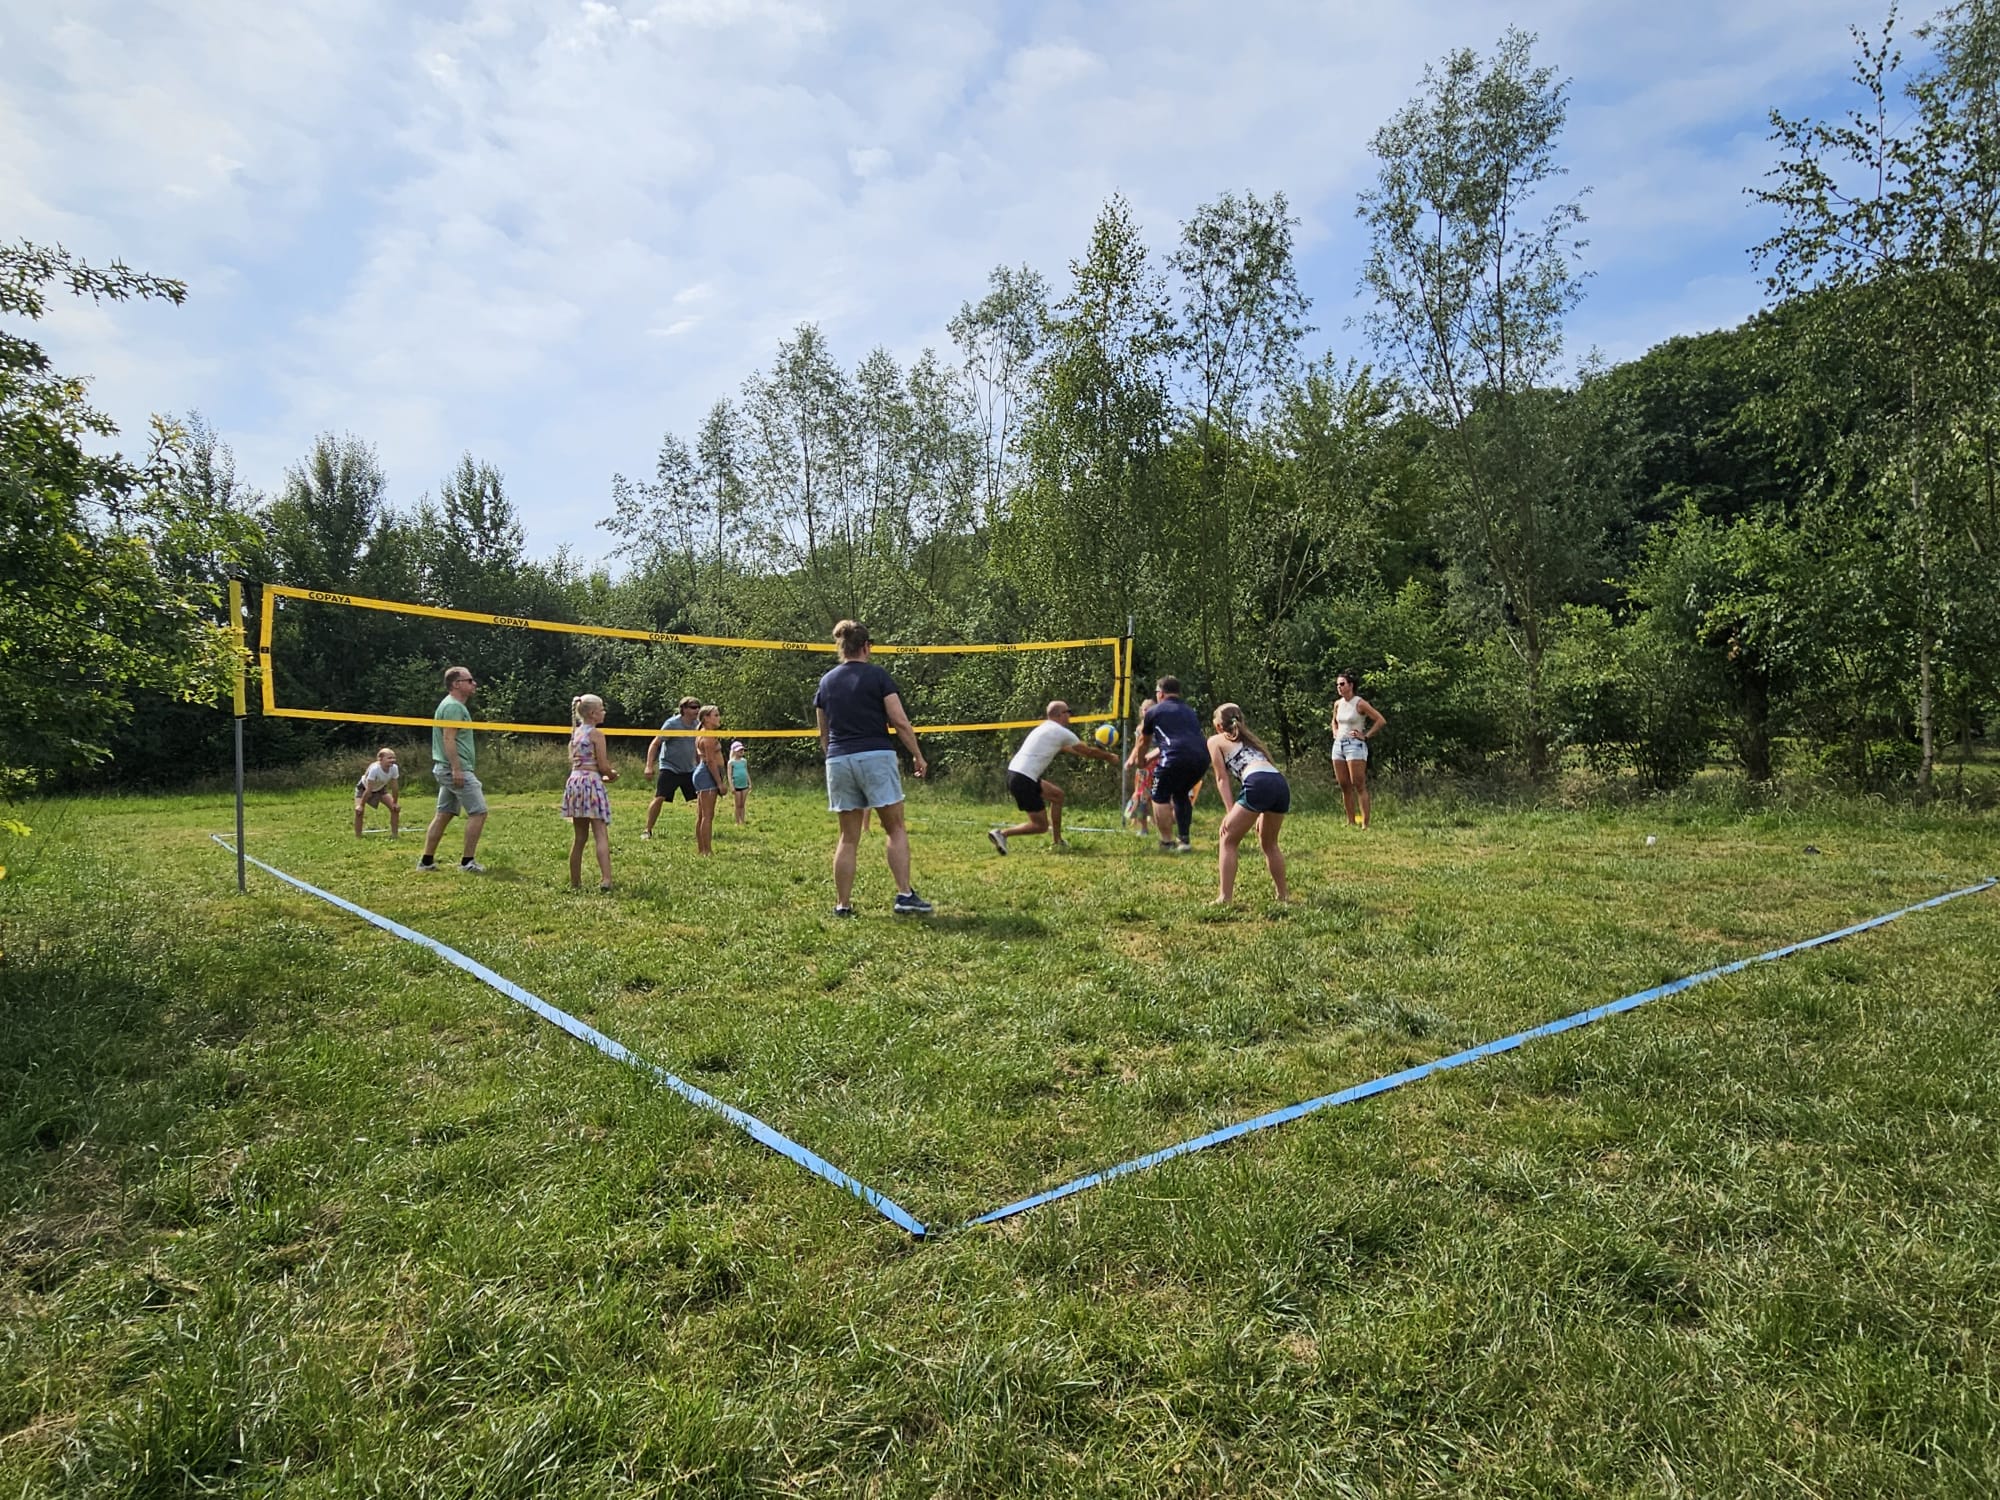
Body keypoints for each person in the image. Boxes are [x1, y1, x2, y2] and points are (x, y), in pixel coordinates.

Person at [814, 619, 931, 916]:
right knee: (894, 827)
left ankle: (842, 905)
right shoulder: (878, 676)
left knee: (848, 837)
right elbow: (900, 721)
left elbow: (824, 734)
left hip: (839, 759)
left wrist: (835, 758)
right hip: (875, 755)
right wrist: (917, 754)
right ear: (867, 647)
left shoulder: (826, 681)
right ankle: (904, 895)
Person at [988, 701, 1120, 854]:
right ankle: (1002, 834)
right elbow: (1087, 752)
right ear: (1059, 715)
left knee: (1057, 795)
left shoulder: (1046, 728)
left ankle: (1057, 841)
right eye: (1068, 711)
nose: (1070, 715)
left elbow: (1072, 749)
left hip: (1018, 774)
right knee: (1041, 826)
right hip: (1023, 779)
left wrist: (1094, 753)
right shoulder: (1061, 732)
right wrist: (1109, 756)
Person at [1208, 703, 1291, 905]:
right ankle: (1283, 895)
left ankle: (1225, 897)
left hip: (1258, 783)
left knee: (1227, 839)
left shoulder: (1215, 740)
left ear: (1219, 726)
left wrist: (1230, 812)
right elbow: (1266, 773)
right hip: (1279, 784)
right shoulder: (1251, 740)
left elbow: (1222, 779)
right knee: (1270, 843)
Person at [1126, 675, 1207, 853]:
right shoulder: (1189, 711)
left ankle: (1167, 842)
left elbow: (1143, 742)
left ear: (1160, 693)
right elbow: (1175, 742)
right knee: (1180, 794)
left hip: (1174, 758)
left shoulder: (1154, 712)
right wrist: (1150, 758)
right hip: (1201, 758)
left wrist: (1140, 761)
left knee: (1159, 795)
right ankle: (1184, 841)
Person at [419, 666, 486, 872]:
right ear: (457, 684)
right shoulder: (453, 707)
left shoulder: (452, 706)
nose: (474, 684)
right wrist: (457, 769)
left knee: (444, 813)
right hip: (454, 769)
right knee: (479, 812)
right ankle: (467, 862)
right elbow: (449, 738)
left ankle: (426, 861)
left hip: (446, 768)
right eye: (470, 680)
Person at [562, 693, 619, 891]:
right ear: (593, 714)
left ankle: (575, 881)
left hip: (575, 782)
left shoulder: (575, 732)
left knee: (579, 837)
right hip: (591, 784)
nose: (604, 712)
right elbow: (602, 766)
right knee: (600, 833)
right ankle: (606, 880)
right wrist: (612, 775)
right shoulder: (596, 734)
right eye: (602, 709)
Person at [1329, 670, 1387, 829]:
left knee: (1358, 783)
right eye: (1337, 685)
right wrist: (1335, 731)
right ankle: (1350, 820)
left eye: (1342, 684)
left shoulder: (1359, 703)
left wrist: (1366, 736)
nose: (1339, 687)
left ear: (1351, 685)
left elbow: (1380, 720)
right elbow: (1334, 721)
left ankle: (1365, 823)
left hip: (1354, 745)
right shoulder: (1338, 704)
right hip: (1339, 745)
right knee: (1344, 784)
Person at [641, 695, 703, 841]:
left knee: (702, 798)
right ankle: (647, 830)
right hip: (670, 767)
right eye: (693, 707)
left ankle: (701, 831)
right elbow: (655, 744)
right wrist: (649, 766)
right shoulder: (672, 724)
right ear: (683, 709)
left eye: (698, 707)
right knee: (659, 797)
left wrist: (701, 764)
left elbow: (700, 745)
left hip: (690, 768)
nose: (697, 710)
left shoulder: (698, 725)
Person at [690, 705, 725, 855]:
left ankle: (702, 850)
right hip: (707, 773)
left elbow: (699, 757)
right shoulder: (708, 736)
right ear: (706, 718)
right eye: (715, 715)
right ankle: (706, 851)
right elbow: (710, 761)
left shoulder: (702, 733)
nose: (718, 718)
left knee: (702, 815)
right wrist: (719, 783)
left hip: (702, 772)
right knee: (707, 815)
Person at [353, 747, 401, 838]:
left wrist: (395, 803)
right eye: (389, 758)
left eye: (393, 758)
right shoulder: (375, 769)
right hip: (364, 788)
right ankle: (358, 837)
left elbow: (395, 787)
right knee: (359, 811)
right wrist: (361, 805)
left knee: (395, 809)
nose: (392, 760)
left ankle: (395, 835)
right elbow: (368, 790)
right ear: (380, 759)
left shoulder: (394, 768)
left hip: (380, 789)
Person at [728, 740, 752, 824]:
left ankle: (743, 820)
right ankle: (737, 821)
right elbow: (729, 775)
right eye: (739, 750)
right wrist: (731, 786)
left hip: (744, 785)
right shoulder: (731, 762)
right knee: (738, 804)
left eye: (742, 750)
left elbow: (746, 772)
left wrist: (749, 783)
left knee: (742, 804)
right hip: (736, 785)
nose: (741, 751)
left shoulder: (744, 761)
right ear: (734, 751)